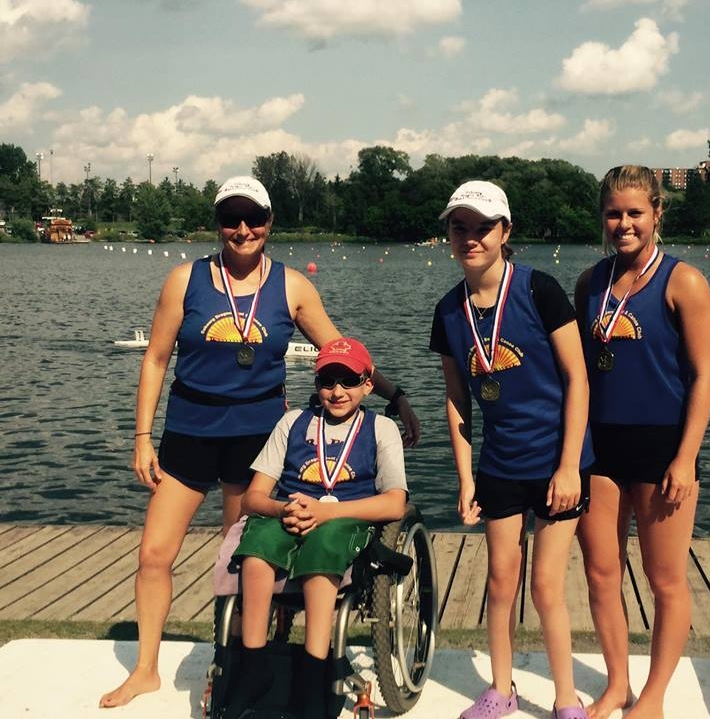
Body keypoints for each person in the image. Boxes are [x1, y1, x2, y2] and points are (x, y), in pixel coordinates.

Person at [100, 176, 420, 708]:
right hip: (189, 435)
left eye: (254, 218)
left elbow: (341, 347)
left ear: (270, 223)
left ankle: (239, 665)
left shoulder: (292, 286)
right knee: (154, 553)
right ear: (218, 223)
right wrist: (142, 436)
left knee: (242, 564)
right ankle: (147, 669)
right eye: (231, 218)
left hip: (256, 443)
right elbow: (156, 358)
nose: (242, 229)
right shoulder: (186, 279)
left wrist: (396, 396)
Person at [430, 180, 594, 719]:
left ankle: (566, 697)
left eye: (482, 228)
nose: (471, 238)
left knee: (546, 584)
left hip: (556, 462)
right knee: (501, 578)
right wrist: (465, 477)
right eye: (460, 228)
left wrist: (570, 465)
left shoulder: (539, 290)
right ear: (449, 234)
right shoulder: (448, 312)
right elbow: (458, 402)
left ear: (505, 232)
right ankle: (501, 689)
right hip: (500, 464)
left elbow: (578, 379)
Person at [574, 165, 710, 719]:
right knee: (601, 571)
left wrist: (685, 458)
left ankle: (653, 697)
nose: (624, 224)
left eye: (636, 212)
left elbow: (704, 376)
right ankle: (617, 685)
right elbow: (578, 373)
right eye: (614, 213)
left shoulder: (685, 282)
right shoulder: (590, 283)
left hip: (664, 449)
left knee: (664, 580)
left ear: (657, 212)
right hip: (601, 447)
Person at [222, 336, 408, 719]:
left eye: (349, 381)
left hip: (344, 519)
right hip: (290, 511)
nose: (337, 391)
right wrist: (281, 507)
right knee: (257, 548)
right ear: (316, 382)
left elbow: (395, 502)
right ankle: (253, 666)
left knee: (324, 547)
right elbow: (252, 498)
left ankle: (313, 670)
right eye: (328, 381)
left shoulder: (381, 428)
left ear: (368, 384)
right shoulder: (293, 423)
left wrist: (326, 514)